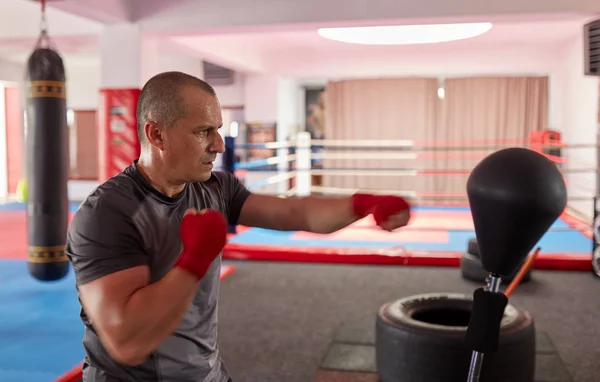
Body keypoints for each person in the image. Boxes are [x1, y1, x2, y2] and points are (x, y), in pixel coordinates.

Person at [66, 71, 412, 382]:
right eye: (203, 131)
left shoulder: (213, 188)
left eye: (217, 128)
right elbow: (127, 342)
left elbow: (296, 213)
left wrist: (361, 204)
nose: (218, 144)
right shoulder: (107, 214)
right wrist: (194, 260)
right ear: (156, 134)